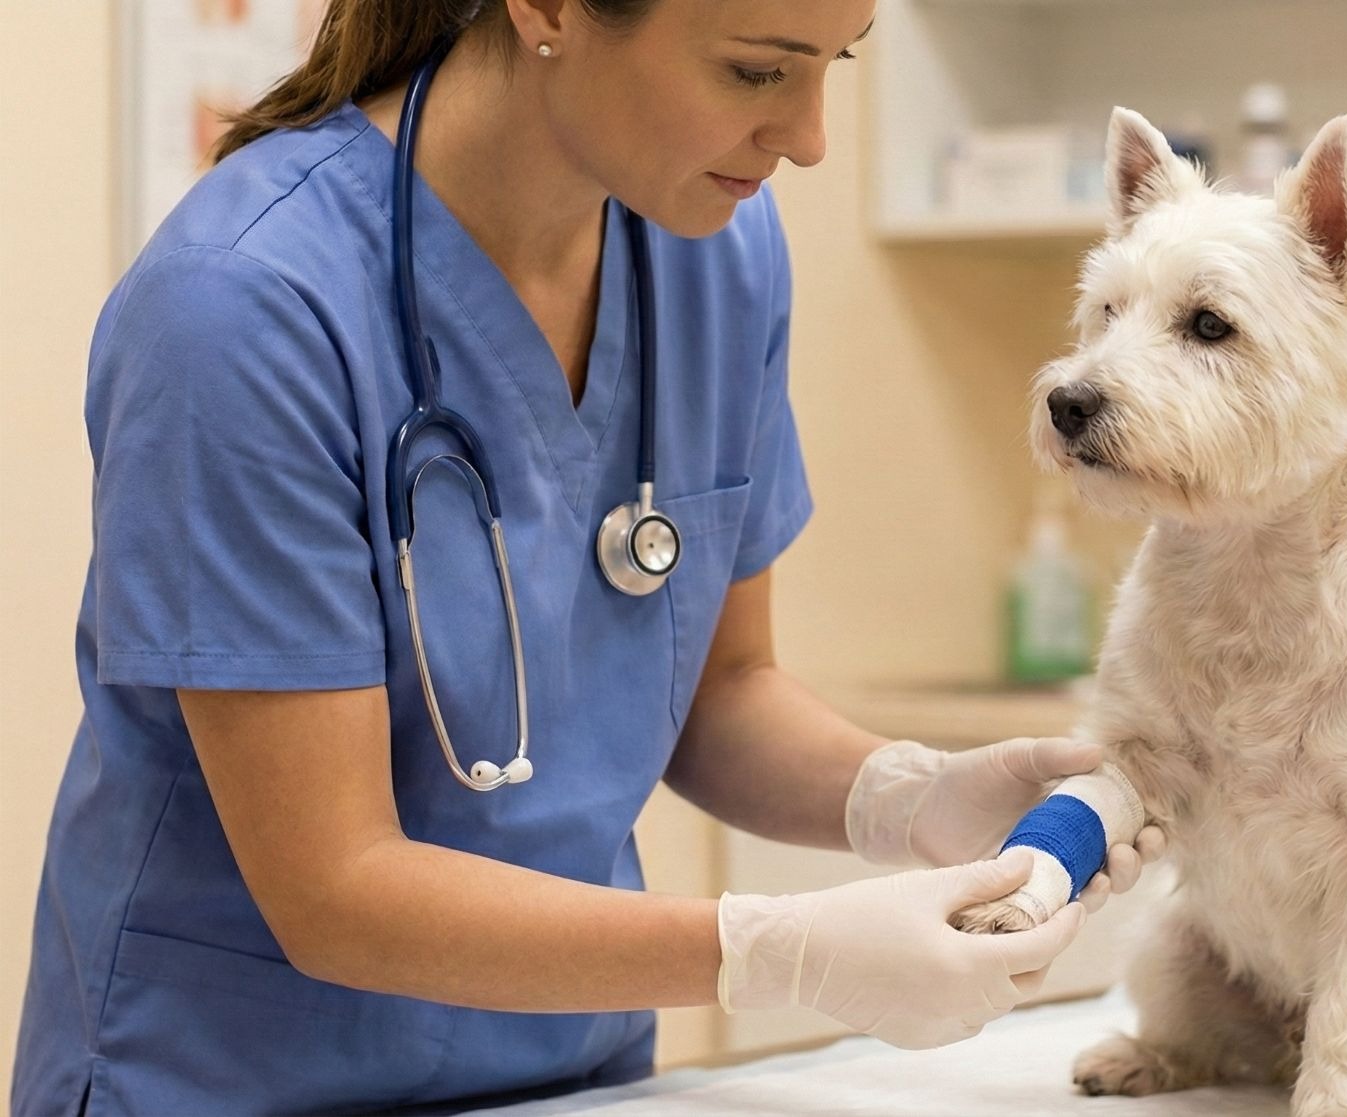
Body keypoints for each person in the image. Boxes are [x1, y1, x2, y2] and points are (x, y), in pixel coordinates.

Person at [10, 2, 1163, 1113]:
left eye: (837, 64)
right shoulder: (243, 310)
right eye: (758, 71)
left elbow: (720, 695)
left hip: (566, 1075)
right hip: (235, 1080)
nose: (807, 139)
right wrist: (768, 952)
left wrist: (906, 797)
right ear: (548, 6)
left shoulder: (717, 249)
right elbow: (333, 886)